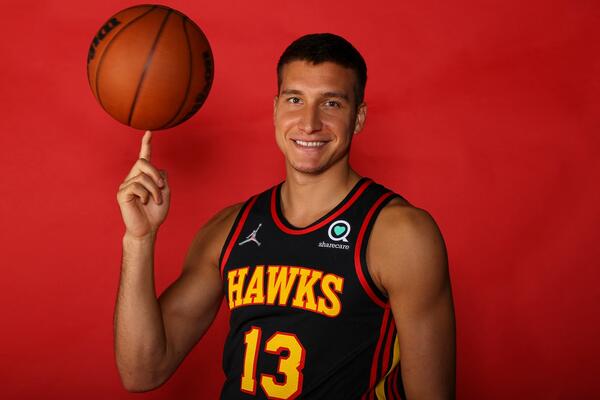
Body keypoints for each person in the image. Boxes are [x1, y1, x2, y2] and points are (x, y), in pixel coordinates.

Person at [115, 33, 456, 399]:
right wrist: (139, 239)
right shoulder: (229, 230)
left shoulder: (400, 234)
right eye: (295, 100)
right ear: (276, 109)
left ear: (358, 117)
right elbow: (142, 371)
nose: (309, 123)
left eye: (331, 103)